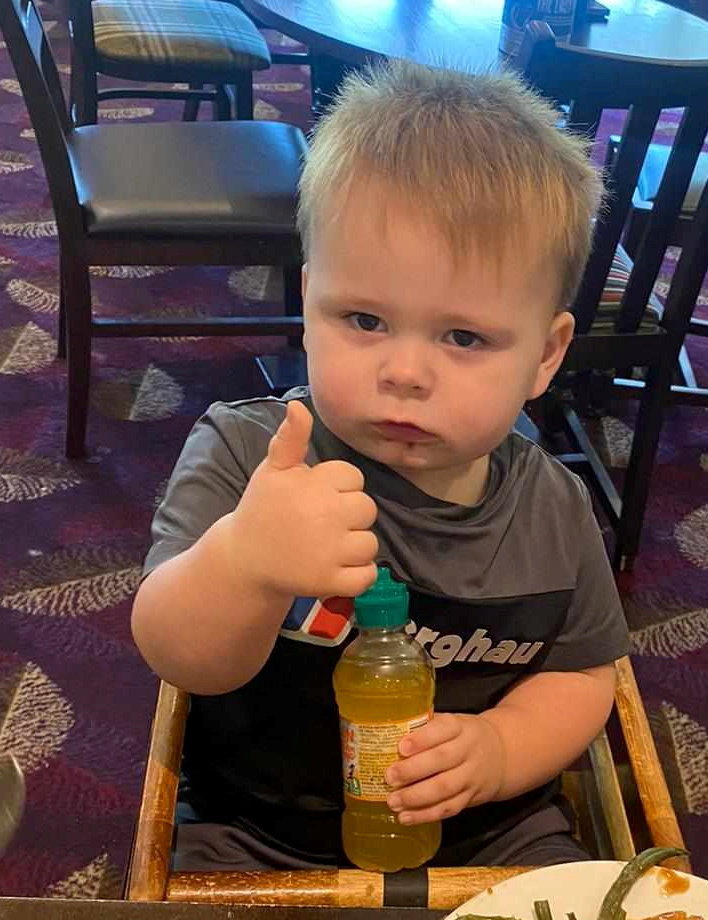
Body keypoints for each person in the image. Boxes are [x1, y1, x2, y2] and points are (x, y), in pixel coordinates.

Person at [131, 59, 629, 871]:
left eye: (463, 337)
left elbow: (583, 675)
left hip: (490, 830)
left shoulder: (555, 507)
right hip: (258, 830)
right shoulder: (249, 455)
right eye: (363, 318)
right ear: (308, 299)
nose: (404, 371)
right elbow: (177, 657)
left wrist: (501, 747)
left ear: (545, 355)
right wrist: (243, 562)